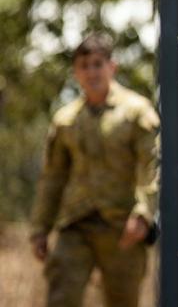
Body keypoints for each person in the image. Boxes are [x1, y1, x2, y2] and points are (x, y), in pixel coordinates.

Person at [29, 32, 159, 307]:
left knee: (122, 301)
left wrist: (144, 213)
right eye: (84, 66)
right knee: (62, 296)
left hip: (122, 227)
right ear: (76, 72)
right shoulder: (65, 120)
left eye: (97, 64)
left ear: (112, 67)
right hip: (76, 223)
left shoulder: (136, 112)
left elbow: (151, 166)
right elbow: (52, 178)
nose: (91, 72)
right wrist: (40, 227)